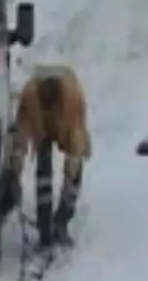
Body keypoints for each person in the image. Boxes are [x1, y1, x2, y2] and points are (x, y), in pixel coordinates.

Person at [8, 64, 91, 247]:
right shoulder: (29, 99)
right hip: (41, 126)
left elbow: (76, 148)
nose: (49, 114)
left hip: (67, 123)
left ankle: (63, 218)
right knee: (43, 169)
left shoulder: (72, 101)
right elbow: (21, 134)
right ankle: (44, 222)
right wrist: (17, 162)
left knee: (74, 173)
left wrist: (71, 171)